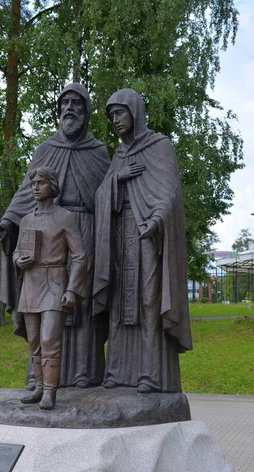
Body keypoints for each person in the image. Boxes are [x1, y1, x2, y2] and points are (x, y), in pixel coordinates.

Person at [0, 83, 110, 388]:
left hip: (85, 229)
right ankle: (40, 378)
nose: (70, 108)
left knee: (79, 302)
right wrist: (7, 222)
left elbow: (110, 196)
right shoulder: (46, 149)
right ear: (58, 112)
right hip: (46, 232)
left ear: (86, 112)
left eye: (77, 104)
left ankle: (85, 373)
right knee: (42, 308)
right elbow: (25, 192)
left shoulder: (97, 152)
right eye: (65, 104)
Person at [93, 89, 192, 393]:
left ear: (135, 112)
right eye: (111, 116)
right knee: (118, 302)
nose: (115, 120)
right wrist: (117, 178)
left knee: (148, 301)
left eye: (119, 113)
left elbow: (170, 193)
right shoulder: (119, 155)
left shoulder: (159, 146)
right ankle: (117, 372)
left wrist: (157, 219)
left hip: (149, 235)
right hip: (120, 235)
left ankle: (150, 373)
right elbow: (101, 196)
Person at [13, 167, 86, 410]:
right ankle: (39, 387)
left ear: (52, 186)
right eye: (33, 183)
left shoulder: (65, 217)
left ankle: (50, 392)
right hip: (30, 283)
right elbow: (16, 251)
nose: (35, 187)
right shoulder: (26, 219)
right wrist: (17, 260)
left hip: (55, 283)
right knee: (34, 341)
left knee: (49, 340)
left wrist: (72, 289)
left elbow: (79, 256)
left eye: (41, 183)